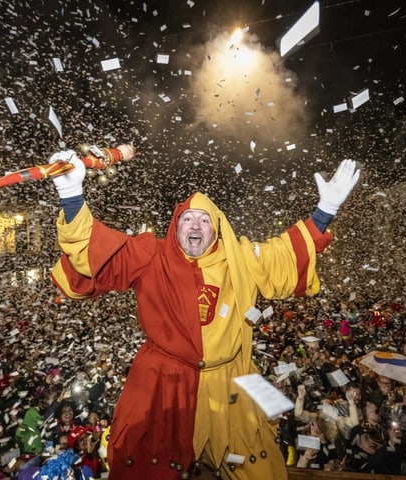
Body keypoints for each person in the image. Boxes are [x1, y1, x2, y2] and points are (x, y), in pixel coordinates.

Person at [48, 147, 360, 480]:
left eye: (204, 219)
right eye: (187, 218)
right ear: (175, 226)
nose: (195, 225)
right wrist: (71, 197)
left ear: (216, 228)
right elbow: (99, 256)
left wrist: (325, 211)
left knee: (257, 465)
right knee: (147, 466)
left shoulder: (240, 258)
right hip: (163, 385)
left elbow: (283, 255)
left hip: (233, 381)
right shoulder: (152, 255)